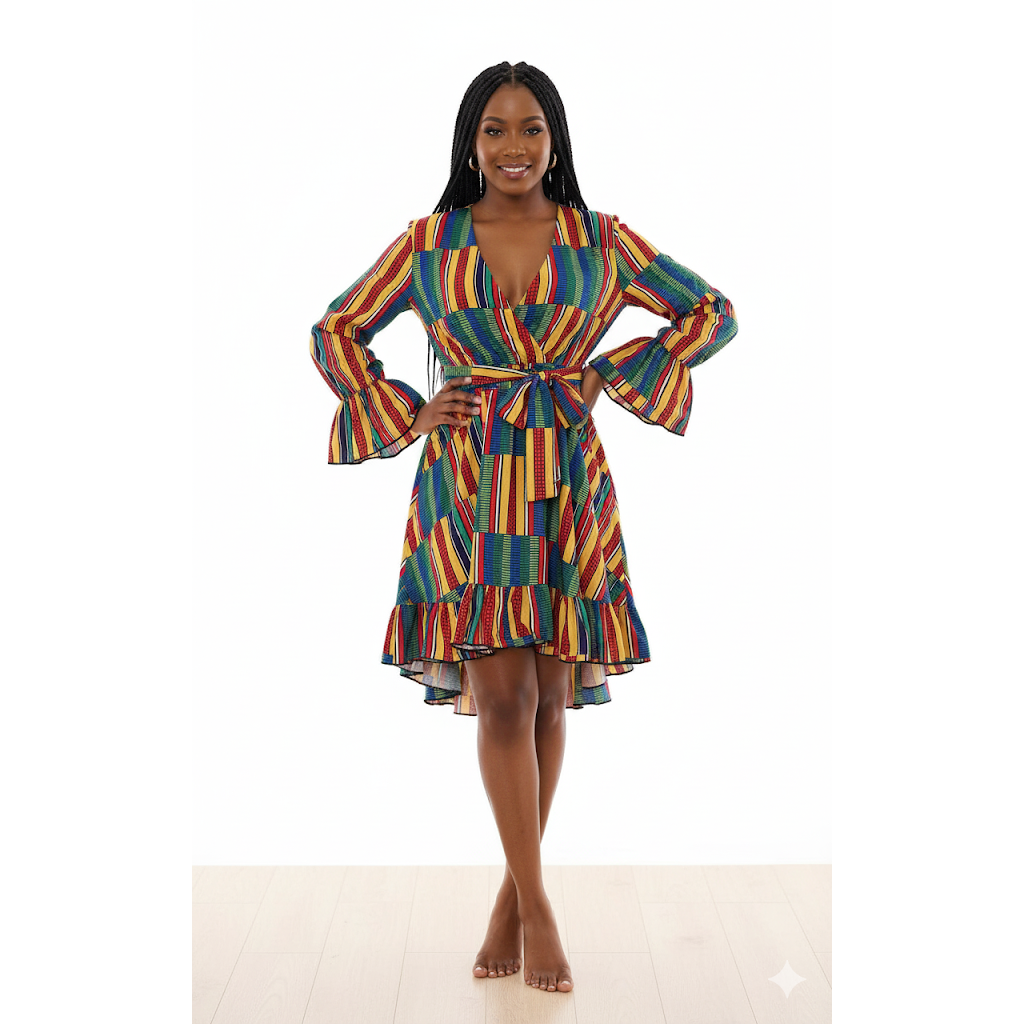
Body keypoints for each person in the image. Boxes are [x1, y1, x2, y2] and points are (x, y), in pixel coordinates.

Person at [308, 61, 738, 994]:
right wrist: (410, 409)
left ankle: (511, 898)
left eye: (531, 128)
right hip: (470, 483)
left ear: (556, 138)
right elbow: (336, 331)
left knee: (547, 698)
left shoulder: (601, 240)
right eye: (495, 129)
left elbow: (713, 313)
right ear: (471, 142)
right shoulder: (427, 244)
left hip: (567, 481)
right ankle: (541, 912)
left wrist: (609, 371)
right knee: (502, 697)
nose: (514, 147)